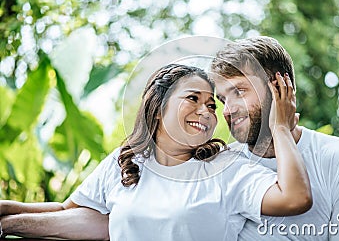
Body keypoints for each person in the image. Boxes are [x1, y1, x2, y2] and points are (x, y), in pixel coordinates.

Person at [0, 63, 312, 240]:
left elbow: (295, 199)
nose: (206, 111)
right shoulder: (128, 161)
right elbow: (79, 215)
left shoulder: (225, 168)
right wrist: (7, 216)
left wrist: (280, 128)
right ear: (159, 107)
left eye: (211, 105)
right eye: (193, 98)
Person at [210, 36, 339, 240]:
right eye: (223, 99)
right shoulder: (222, 167)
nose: (228, 110)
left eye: (239, 92)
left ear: (280, 88)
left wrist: (280, 129)